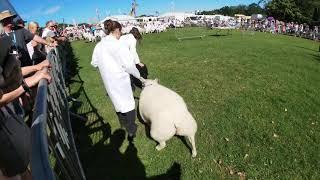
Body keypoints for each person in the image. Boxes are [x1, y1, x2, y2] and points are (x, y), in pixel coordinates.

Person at [0, 35, 51, 180]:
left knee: (22, 170)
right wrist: (26, 85)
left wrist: (36, 68)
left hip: (8, 127)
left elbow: (13, 74)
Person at [91, 20, 143, 141]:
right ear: (117, 30)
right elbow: (129, 65)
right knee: (128, 104)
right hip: (120, 79)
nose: (121, 33)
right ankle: (131, 130)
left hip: (108, 79)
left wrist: (106, 67)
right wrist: (138, 75)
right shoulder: (118, 45)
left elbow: (94, 63)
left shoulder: (99, 45)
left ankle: (123, 124)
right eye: (120, 31)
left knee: (117, 102)